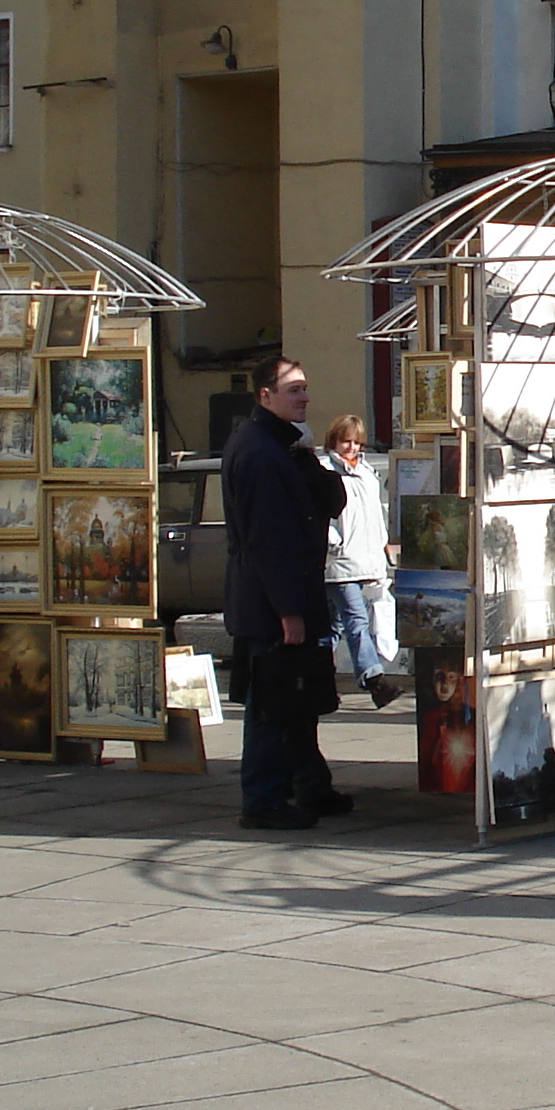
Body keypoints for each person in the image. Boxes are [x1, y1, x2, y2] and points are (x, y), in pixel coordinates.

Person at [223, 355, 350, 831]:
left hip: (291, 594)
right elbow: (267, 541)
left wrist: (308, 456)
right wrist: (288, 611)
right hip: (271, 602)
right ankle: (262, 797)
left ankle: (309, 785)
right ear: (265, 396)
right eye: (293, 389)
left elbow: (333, 501)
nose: (304, 397)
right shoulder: (257, 451)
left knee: (297, 699)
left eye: (304, 388)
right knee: (271, 703)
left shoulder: (284, 447)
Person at [318, 415, 403, 710]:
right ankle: (374, 680)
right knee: (357, 619)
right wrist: (333, 541)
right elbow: (319, 515)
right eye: (346, 441)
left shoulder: (366, 472)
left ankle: (320, 684)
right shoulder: (324, 470)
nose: (352, 447)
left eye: (357, 442)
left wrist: (383, 550)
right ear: (334, 440)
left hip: (365, 561)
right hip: (339, 563)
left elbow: (376, 515)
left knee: (332, 628)